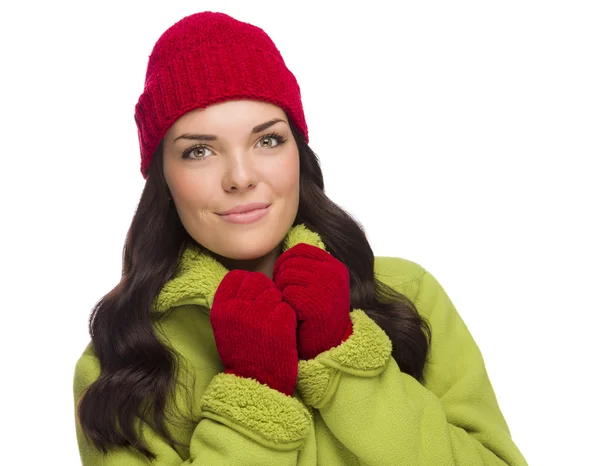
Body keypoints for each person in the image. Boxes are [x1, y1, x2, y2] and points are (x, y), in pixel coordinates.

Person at [72, 11, 527, 465]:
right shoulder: (122, 358)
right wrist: (253, 396)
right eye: (199, 151)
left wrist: (347, 362)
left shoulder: (404, 294)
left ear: (299, 154)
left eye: (267, 140)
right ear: (163, 181)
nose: (241, 177)